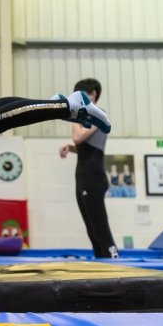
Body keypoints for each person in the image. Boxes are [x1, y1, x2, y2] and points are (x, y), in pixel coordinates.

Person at [58, 78, 118, 259]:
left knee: (100, 229)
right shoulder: (85, 118)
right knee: (92, 231)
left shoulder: (99, 114)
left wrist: (73, 116)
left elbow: (78, 137)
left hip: (93, 176)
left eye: (82, 95)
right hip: (84, 175)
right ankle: (103, 267)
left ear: (93, 94)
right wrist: (71, 148)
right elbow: (82, 143)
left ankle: (116, 266)